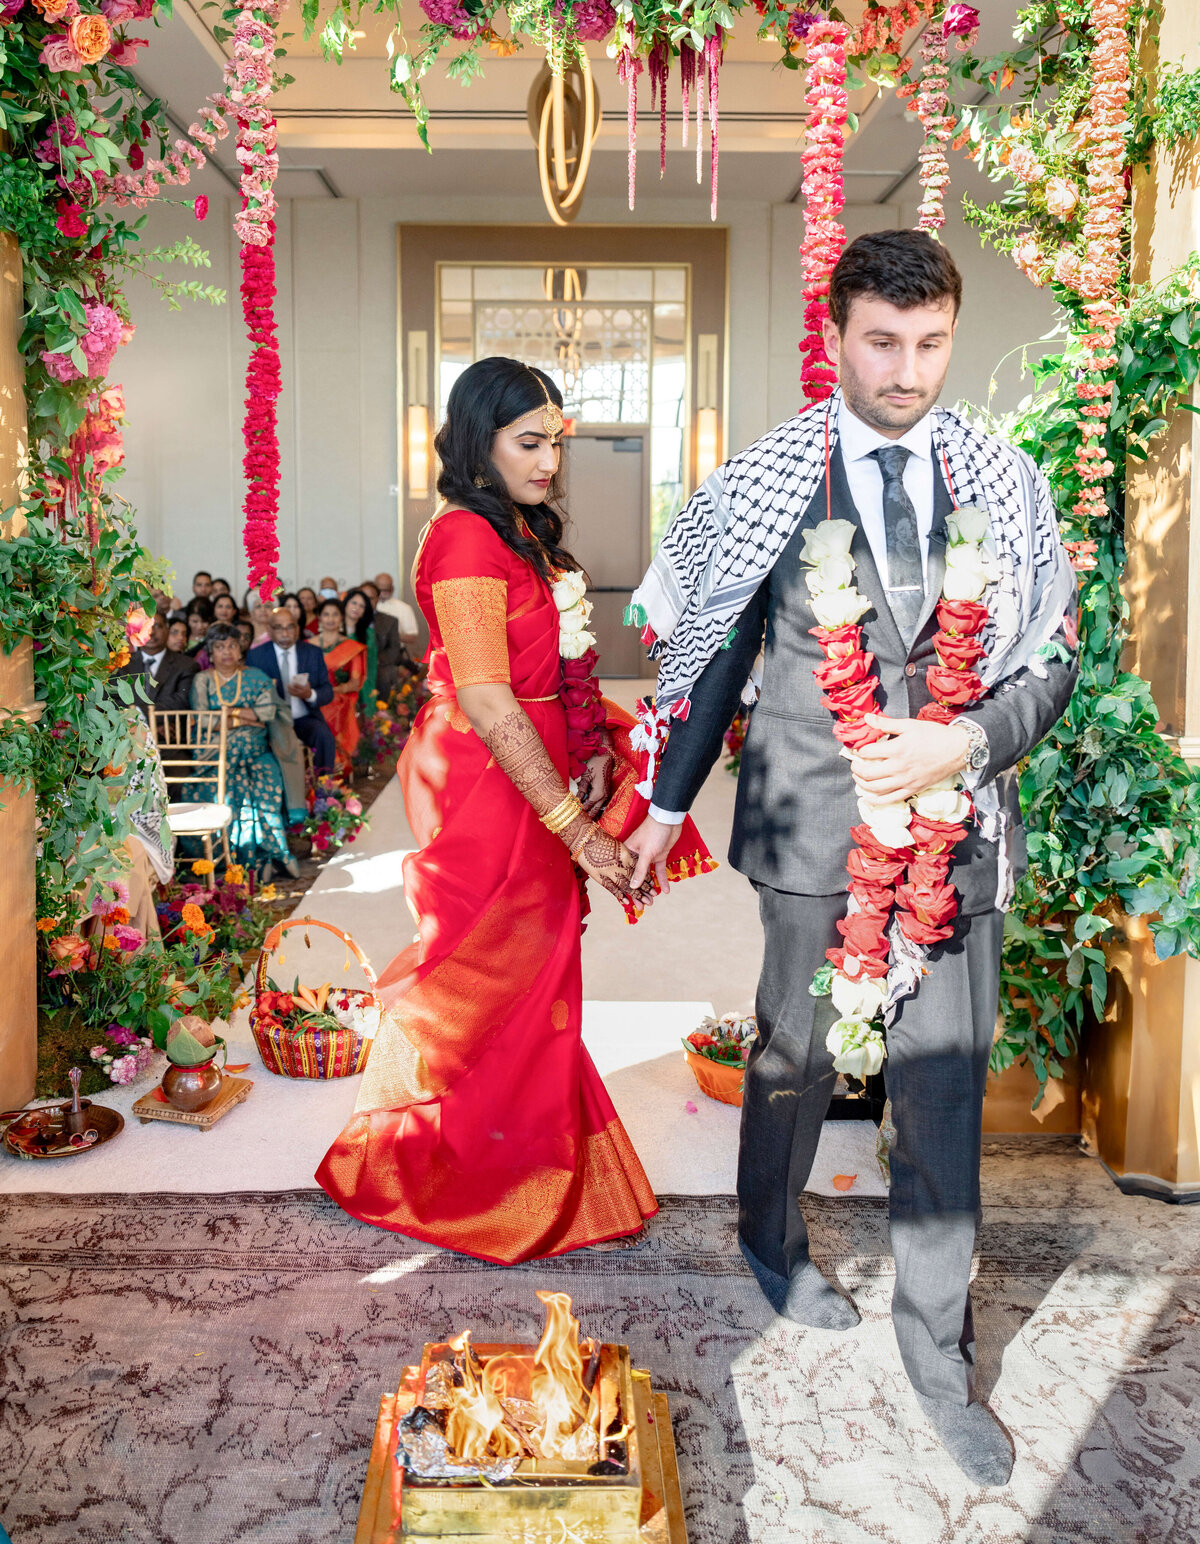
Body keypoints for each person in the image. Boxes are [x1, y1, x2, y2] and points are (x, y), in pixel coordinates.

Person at [624, 231, 1079, 1488]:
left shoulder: (1005, 479)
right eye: (882, 342)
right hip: (809, 816)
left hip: (956, 823)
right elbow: (712, 649)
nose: (907, 370)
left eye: (930, 344)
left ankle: (939, 1355)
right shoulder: (765, 477)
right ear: (834, 339)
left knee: (941, 1081)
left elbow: (1051, 660)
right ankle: (772, 1246)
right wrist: (664, 805)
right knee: (794, 1056)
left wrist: (965, 742)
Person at [318, 356, 713, 1262]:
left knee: (540, 970)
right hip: (483, 776)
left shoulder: (522, 532)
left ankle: (521, 1154)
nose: (548, 462)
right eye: (528, 443)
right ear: (474, 440)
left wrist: (591, 760)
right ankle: (468, 1174)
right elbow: (491, 700)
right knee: (489, 965)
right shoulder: (463, 535)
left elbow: (549, 682)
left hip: (532, 762)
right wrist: (571, 823)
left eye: (555, 444)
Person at [186, 623, 293, 873]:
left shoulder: (256, 677)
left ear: (241, 649)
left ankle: (265, 854)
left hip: (257, 753)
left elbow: (267, 712)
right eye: (220, 647)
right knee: (216, 784)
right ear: (210, 653)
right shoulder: (202, 680)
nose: (227, 652)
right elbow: (202, 720)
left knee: (268, 779)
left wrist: (226, 716)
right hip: (215, 755)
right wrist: (244, 717)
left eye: (232, 646)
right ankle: (233, 856)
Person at [248, 606, 337, 773]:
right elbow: (251, 694)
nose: (285, 633)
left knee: (323, 735)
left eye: (290, 627)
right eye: (278, 628)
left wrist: (309, 694)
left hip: (303, 718)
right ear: (269, 630)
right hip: (272, 721)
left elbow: (327, 691)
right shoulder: (256, 656)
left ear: (297, 629)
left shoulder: (312, 653)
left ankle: (324, 789)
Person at [315, 595, 367, 771]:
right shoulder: (307, 645)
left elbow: (354, 682)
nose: (330, 619)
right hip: (312, 698)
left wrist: (332, 691)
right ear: (320, 618)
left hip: (340, 700)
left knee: (335, 707)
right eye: (326, 614)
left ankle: (335, 768)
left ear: (341, 618)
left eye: (335, 614)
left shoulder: (352, 647)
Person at [119, 611, 197, 715]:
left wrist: (144, 717)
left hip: (168, 729)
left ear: (167, 629)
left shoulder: (186, 665)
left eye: (156, 626)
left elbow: (181, 702)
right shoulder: (122, 663)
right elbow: (113, 701)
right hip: (128, 728)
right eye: (144, 627)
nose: (151, 632)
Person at [359, 580, 404, 697]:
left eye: (371, 598)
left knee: (384, 674)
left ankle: (382, 711)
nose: (367, 602)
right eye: (363, 597)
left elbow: (394, 648)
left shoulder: (390, 621)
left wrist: (374, 659)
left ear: (377, 599)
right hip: (355, 663)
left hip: (379, 664)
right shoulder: (349, 619)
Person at [372, 572, 420, 655]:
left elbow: (412, 637)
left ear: (392, 589)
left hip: (395, 653)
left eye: (386, 590)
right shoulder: (367, 605)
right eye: (379, 590)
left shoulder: (404, 608)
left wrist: (390, 634)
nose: (382, 593)